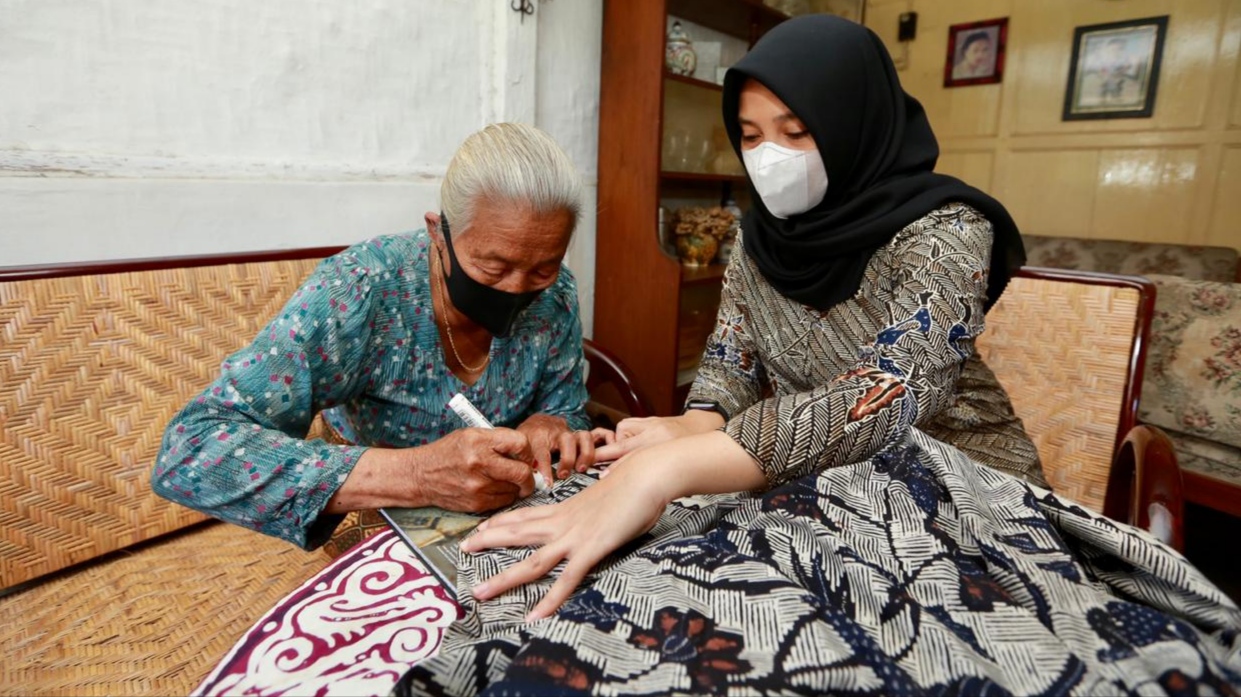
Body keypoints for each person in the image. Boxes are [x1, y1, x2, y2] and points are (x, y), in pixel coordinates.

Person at [399, 17, 1241, 695]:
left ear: (854, 122)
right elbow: (727, 367)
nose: (768, 157)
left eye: (796, 130)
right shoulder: (755, 239)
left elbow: (894, 388)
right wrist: (681, 430)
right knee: (621, 565)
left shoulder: (947, 230)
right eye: (750, 132)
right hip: (806, 474)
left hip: (954, 477)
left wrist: (672, 470)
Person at [151, 123, 609, 550]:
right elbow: (191, 450)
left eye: (543, 268)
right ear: (439, 234)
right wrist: (416, 475)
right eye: (493, 267)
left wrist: (555, 423)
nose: (517, 288)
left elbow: (565, 407)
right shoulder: (361, 290)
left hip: (515, 516)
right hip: (384, 520)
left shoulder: (557, 294)